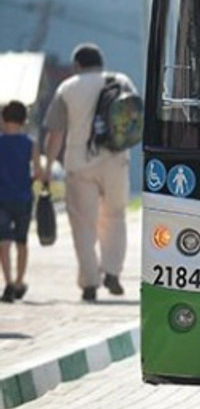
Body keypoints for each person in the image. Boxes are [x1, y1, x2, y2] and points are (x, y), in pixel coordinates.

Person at [41, 44, 134, 302]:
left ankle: (90, 282)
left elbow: (55, 133)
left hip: (80, 164)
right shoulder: (121, 81)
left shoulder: (68, 88)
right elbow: (134, 119)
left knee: (83, 225)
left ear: (78, 65)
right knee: (115, 216)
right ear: (100, 63)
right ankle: (113, 271)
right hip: (116, 160)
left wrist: (48, 167)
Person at [1, 100, 42, 303]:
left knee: (4, 242)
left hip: (1, 198)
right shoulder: (30, 143)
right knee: (21, 242)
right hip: (23, 198)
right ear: (25, 120)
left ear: (3, 119)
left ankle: (7, 282)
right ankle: (19, 281)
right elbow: (38, 171)